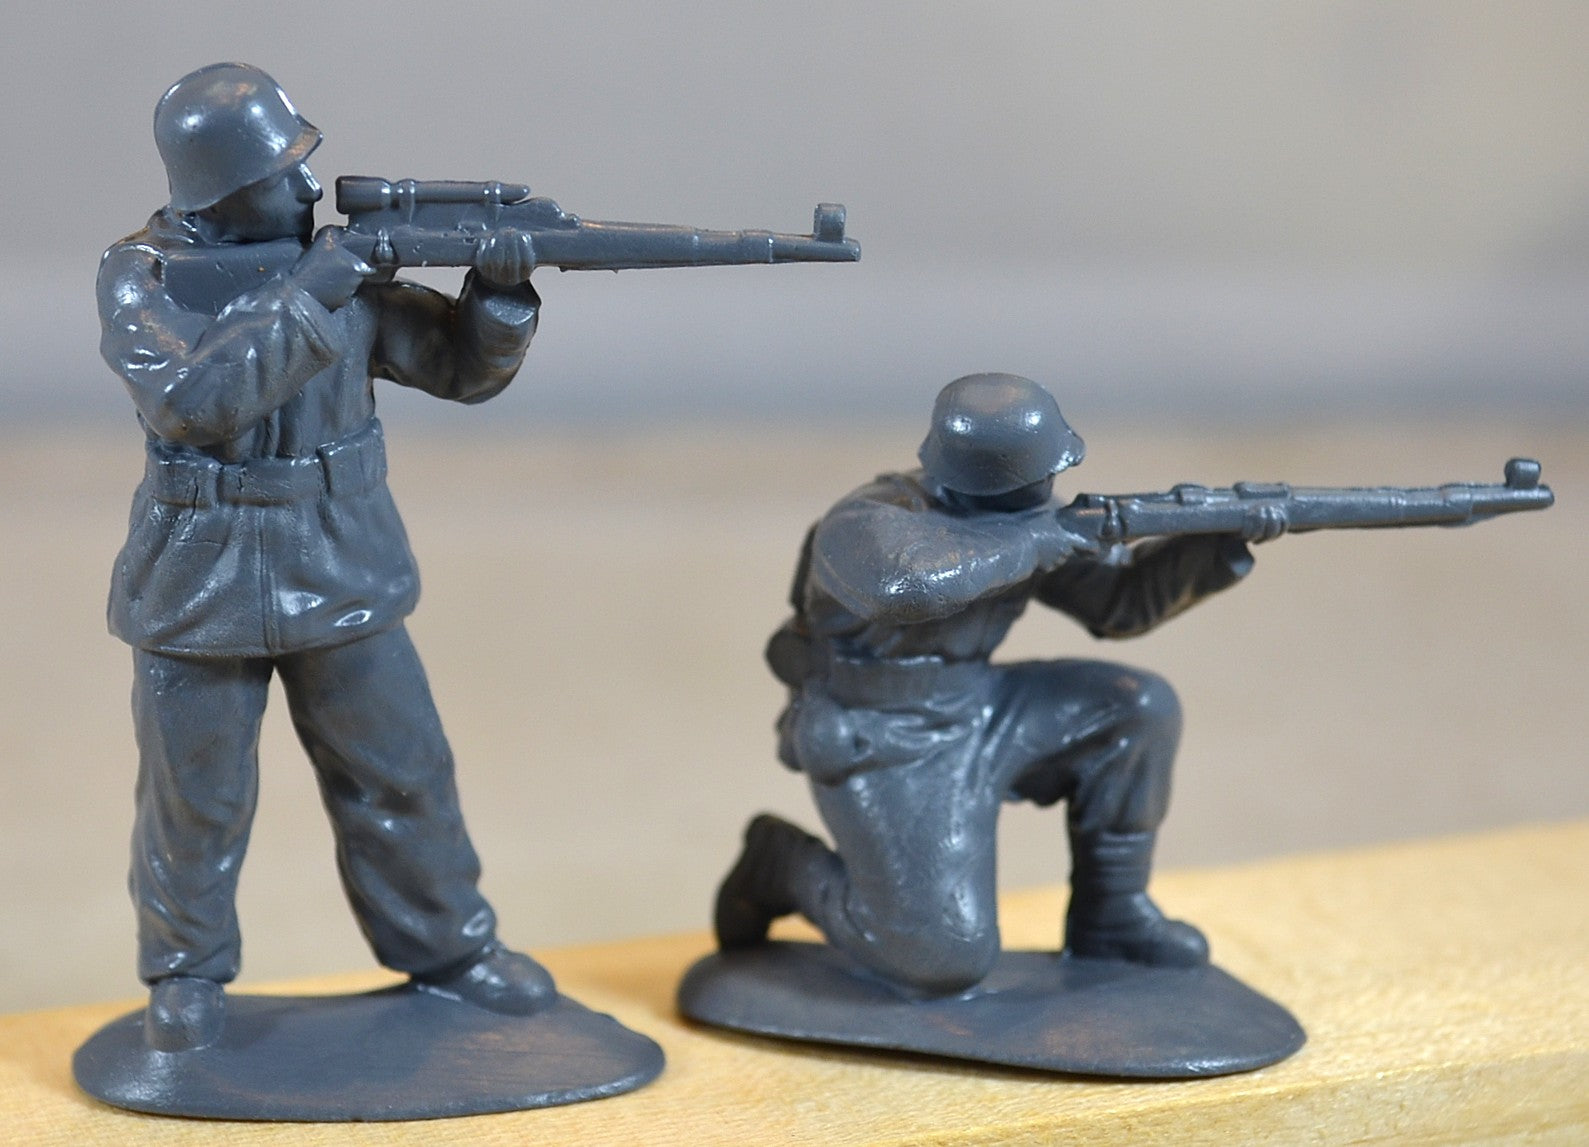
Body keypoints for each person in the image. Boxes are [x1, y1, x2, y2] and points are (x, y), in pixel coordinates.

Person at [97, 63, 549, 1051]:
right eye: (283, 171)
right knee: (195, 797)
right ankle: (184, 971)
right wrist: (314, 294)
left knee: (402, 769)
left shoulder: (337, 268)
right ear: (220, 188)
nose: (310, 186)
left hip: (340, 557)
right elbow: (190, 403)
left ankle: (450, 950)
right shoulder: (144, 276)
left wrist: (497, 299)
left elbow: (456, 369)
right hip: (199, 574)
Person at [715, 373, 1276, 996]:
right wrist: (1038, 539)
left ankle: (1112, 916)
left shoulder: (1032, 522)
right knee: (939, 957)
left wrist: (1212, 549)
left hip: (979, 702)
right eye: (1039, 475)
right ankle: (782, 865)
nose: (1051, 485)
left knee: (1137, 709)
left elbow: (1119, 605)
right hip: (879, 729)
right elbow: (906, 586)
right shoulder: (867, 520)